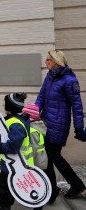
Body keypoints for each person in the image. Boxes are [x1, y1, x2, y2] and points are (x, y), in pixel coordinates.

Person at [35, 49, 86, 202]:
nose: (45, 63)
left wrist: (79, 128)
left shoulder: (69, 80)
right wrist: (32, 113)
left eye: (48, 60)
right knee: (49, 156)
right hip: (46, 123)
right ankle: (54, 187)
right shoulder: (49, 77)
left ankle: (72, 185)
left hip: (59, 125)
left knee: (53, 155)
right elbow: (41, 97)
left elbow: (77, 107)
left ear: (56, 61)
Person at [0, 93, 44, 210]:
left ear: (9, 107)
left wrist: (1, 147)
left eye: (5, 103)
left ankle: (4, 207)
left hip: (14, 164)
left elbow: (13, 146)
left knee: (4, 187)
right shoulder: (16, 120)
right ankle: (37, 203)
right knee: (26, 184)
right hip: (17, 163)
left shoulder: (16, 124)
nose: (3, 105)